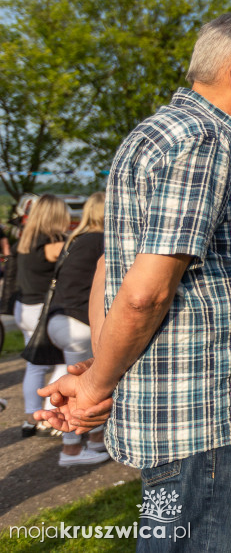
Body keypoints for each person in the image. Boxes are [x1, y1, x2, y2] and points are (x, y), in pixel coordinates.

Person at [37, 12, 231, 551]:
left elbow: (109, 269)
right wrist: (98, 387)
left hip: (187, 405)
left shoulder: (162, 133)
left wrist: (104, 367)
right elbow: (144, 292)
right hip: (202, 415)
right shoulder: (202, 143)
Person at [45, 191, 107, 467]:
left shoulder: (75, 239)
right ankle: (81, 445)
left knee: (71, 384)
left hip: (57, 319)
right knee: (89, 385)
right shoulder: (102, 240)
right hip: (79, 321)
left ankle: (78, 443)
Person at [16, 193, 69, 438]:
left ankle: (31, 417)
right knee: (64, 361)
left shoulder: (26, 239)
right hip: (41, 309)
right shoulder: (52, 244)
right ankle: (48, 416)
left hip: (24, 307)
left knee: (34, 365)